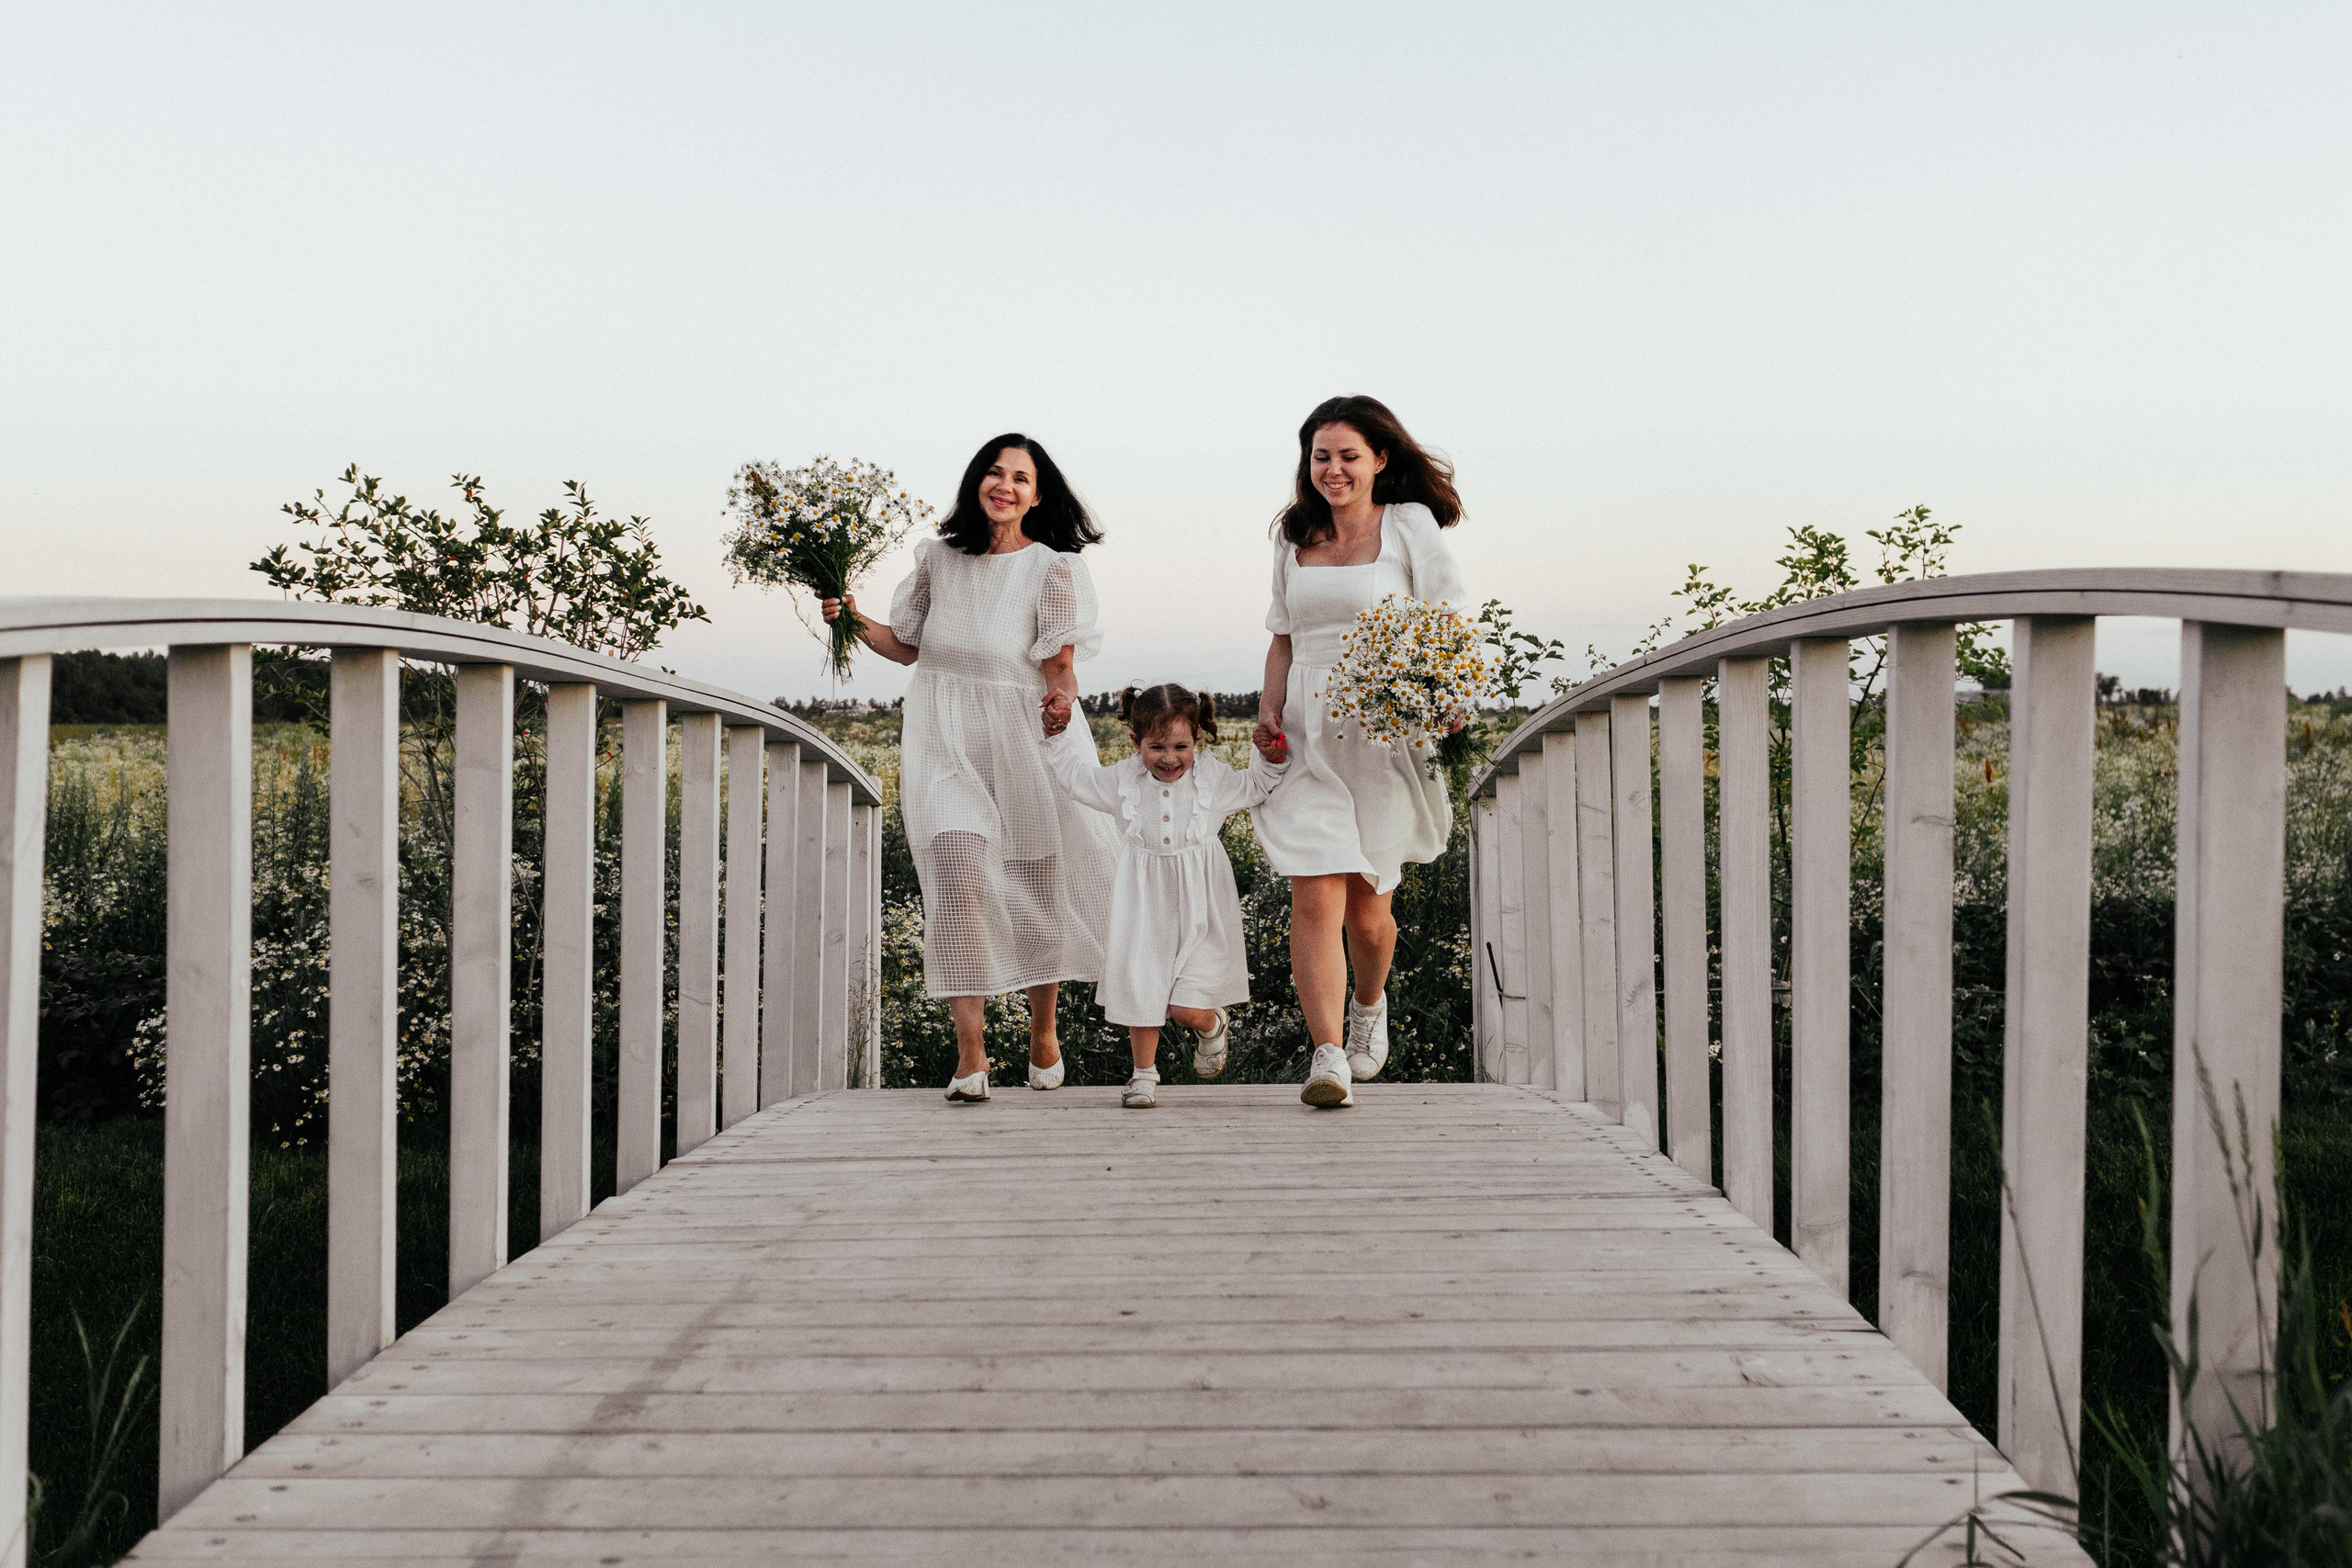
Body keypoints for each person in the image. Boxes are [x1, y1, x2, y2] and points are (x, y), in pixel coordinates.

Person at [822, 434, 1117, 1102]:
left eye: (1020, 477)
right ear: (975, 483)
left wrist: (1062, 704)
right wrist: (849, 617)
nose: (1004, 485)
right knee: (955, 875)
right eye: (994, 472)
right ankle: (971, 1054)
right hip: (945, 740)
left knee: (1037, 885)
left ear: (1037, 495)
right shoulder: (938, 559)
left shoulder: (1052, 567)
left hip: (1023, 737)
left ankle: (1044, 1032)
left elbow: (1059, 661)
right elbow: (905, 648)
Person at [1250, 396, 1468, 1109]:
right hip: (1307, 728)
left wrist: (1446, 693)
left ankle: (1369, 1004)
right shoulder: (1293, 534)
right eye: (1321, 456)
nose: (1334, 469)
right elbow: (1282, 635)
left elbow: (1445, 614)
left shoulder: (1407, 524)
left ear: (1380, 458)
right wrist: (1267, 711)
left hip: (1380, 725)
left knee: (1369, 914)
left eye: (1348, 455)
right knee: (1313, 891)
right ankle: (1329, 1053)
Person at [1039, 682, 1287, 1108]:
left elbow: (1256, 786)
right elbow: (1074, 778)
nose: (1169, 759)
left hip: (1202, 903)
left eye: (1180, 746)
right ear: (1136, 741)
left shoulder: (1213, 779)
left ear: (1196, 739)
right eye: (1156, 747)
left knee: (1187, 1010)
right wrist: (1057, 733)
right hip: (1142, 901)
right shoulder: (1122, 781)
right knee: (1142, 984)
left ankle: (1212, 1026)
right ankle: (1142, 1075)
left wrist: (1272, 756)